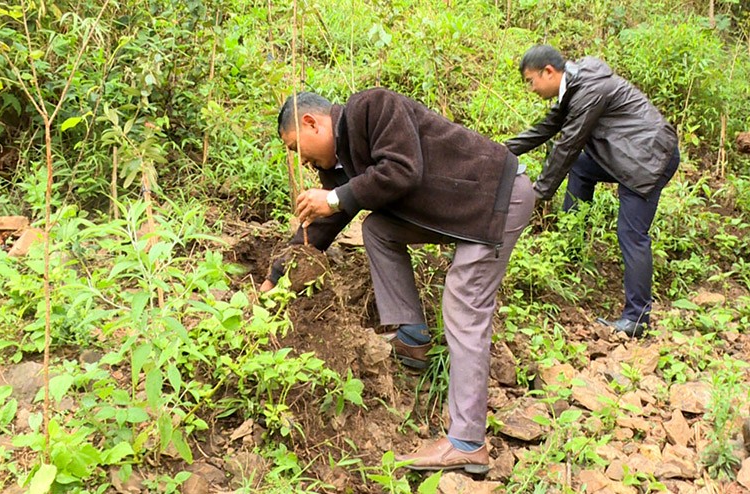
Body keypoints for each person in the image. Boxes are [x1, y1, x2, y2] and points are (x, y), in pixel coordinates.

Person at [260, 88, 533, 473]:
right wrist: (277, 276)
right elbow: (324, 223)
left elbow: (403, 170)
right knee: (378, 230)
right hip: (460, 209)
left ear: (311, 123)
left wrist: (334, 198)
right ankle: (412, 338)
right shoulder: (339, 163)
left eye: (295, 148)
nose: (300, 159)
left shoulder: (373, 107)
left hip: (497, 199)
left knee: (464, 303)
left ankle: (467, 441)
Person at [505, 45, 680, 338]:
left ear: (548, 72)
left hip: (649, 159)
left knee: (632, 234)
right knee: (582, 168)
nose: (531, 89)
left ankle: (636, 318)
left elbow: (568, 145)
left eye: (530, 81)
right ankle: (571, 248)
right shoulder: (575, 86)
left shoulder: (589, 91)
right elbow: (547, 128)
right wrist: (498, 151)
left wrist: (538, 192)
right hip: (631, 154)